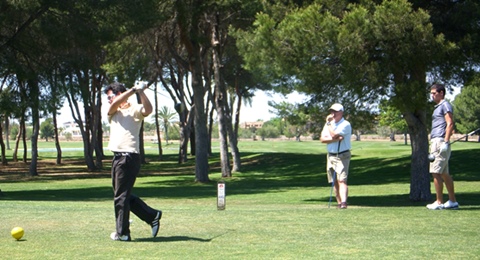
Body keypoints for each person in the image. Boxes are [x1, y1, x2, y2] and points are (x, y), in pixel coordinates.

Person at [105, 81, 162, 241]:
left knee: (121, 196)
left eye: (110, 96)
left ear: (119, 93)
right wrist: (133, 89)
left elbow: (148, 110)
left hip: (128, 156)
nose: (109, 100)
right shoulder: (113, 110)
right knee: (122, 194)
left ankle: (122, 233)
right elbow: (115, 103)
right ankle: (151, 215)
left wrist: (141, 92)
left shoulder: (135, 108)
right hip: (118, 157)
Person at [426, 83, 459, 210]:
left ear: (441, 93)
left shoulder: (445, 105)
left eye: (434, 93)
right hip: (437, 141)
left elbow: (450, 123)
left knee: (435, 172)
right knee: (444, 173)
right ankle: (452, 201)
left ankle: (439, 202)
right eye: (431, 93)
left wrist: (445, 141)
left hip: (440, 142)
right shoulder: (438, 107)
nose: (432, 95)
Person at [320, 103, 352, 209]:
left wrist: (330, 129)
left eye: (335, 111)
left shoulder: (345, 124)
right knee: (334, 181)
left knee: (342, 179)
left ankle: (344, 202)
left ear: (341, 112)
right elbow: (323, 139)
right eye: (331, 111)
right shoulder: (329, 124)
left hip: (342, 155)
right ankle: (339, 203)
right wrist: (335, 139)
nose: (333, 113)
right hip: (331, 156)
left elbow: (332, 134)